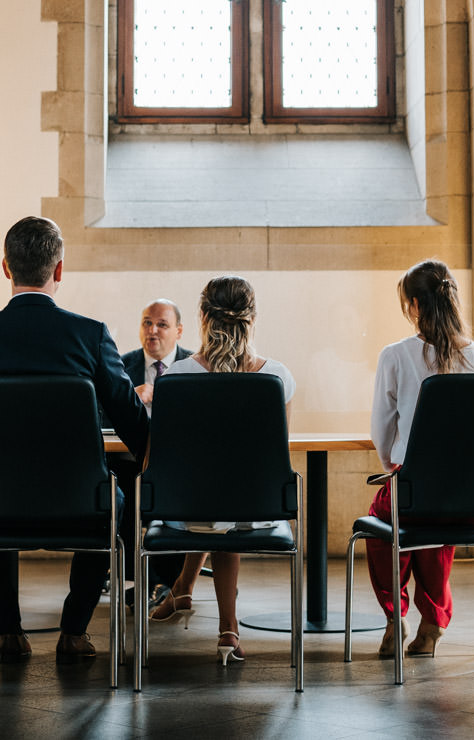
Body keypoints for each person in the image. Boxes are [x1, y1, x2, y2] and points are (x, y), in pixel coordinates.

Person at [0, 215, 149, 665]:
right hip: (80, 503)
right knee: (116, 499)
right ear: (59, 271)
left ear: (6, 269)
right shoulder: (90, 336)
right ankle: (73, 630)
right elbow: (133, 422)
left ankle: (9, 632)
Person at [148, 275, 295, 667]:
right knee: (226, 499)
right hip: (258, 510)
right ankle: (210, 614)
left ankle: (200, 603)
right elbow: (276, 454)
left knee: (214, 502)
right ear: (252, 318)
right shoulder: (276, 378)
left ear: (202, 317)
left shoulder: (175, 378)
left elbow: (164, 460)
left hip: (188, 512)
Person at [367, 257, 474, 658]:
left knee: (383, 525)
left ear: (414, 306)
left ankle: (395, 615)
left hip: (417, 493)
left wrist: (394, 467)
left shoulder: (396, 355)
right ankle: (434, 620)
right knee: (434, 529)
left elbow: (381, 431)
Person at [111, 299, 192, 609]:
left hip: (182, 465)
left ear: (179, 331)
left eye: (162, 324)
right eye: (147, 323)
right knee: (128, 490)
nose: (153, 330)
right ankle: (145, 577)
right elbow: (100, 413)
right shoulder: (120, 366)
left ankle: (169, 581)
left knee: (175, 491)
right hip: (131, 462)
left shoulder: (194, 365)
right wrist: (131, 397)